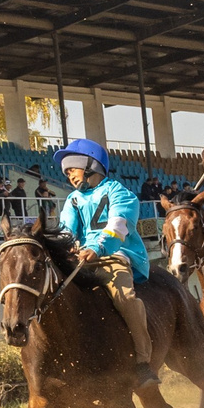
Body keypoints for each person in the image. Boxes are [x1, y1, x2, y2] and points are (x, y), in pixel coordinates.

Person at [55, 138, 162, 393]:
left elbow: (119, 225)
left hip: (115, 255)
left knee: (124, 298)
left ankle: (143, 362)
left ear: (91, 165)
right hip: (82, 259)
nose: (68, 174)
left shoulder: (118, 192)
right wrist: (66, 247)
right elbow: (65, 230)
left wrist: (98, 248)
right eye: (66, 171)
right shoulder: (72, 199)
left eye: (72, 168)